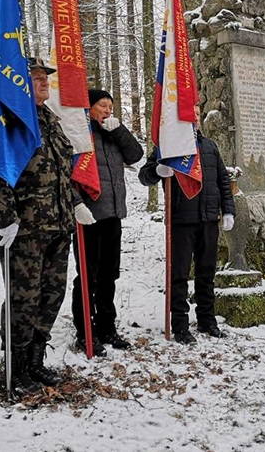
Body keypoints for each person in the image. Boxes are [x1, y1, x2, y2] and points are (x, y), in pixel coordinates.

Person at [0, 57, 95, 391]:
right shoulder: (5, 122)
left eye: (45, 78)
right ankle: (16, 366)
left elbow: (59, 174)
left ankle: (36, 360)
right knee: (22, 299)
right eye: (37, 78)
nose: (44, 83)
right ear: (18, 82)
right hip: (24, 230)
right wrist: (6, 217)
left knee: (50, 296)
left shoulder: (50, 121)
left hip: (58, 226)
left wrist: (74, 204)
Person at [138, 124, 235, 345]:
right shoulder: (169, 146)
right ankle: (180, 324)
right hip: (181, 219)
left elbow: (223, 181)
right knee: (179, 275)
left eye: (197, 114)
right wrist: (157, 171)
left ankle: (206, 319)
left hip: (209, 219)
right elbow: (144, 176)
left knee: (206, 273)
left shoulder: (210, 146)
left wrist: (228, 210)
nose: (194, 119)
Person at [71, 90, 143, 354]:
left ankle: (107, 327)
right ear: (90, 108)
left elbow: (135, 155)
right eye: (103, 105)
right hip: (88, 217)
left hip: (113, 214)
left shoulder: (113, 133)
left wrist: (120, 131)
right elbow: (70, 173)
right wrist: (76, 204)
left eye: (111, 106)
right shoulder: (79, 134)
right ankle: (85, 331)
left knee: (109, 276)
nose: (108, 110)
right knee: (88, 277)